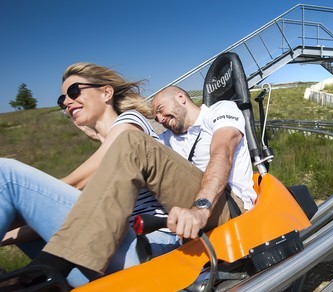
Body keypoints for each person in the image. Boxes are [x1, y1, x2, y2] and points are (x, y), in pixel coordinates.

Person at [3, 84, 257, 287]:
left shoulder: (220, 111)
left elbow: (222, 153)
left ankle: (49, 271)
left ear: (181, 97)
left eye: (160, 108)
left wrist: (201, 207)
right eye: (155, 114)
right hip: (179, 219)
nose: (159, 117)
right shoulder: (166, 141)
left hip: (226, 206)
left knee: (133, 142)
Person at [0, 63, 180, 287]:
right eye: (61, 99)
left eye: (74, 92)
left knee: (6, 175)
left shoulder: (131, 125)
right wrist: (8, 234)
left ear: (106, 92)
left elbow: (75, 184)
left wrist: (21, 200)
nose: (66, 102)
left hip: (151, 246)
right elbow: (74, 215)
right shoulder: (109, 145)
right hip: (115, 250)